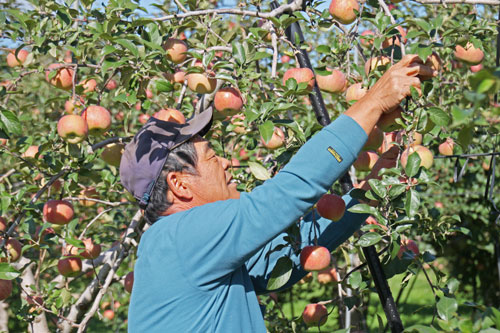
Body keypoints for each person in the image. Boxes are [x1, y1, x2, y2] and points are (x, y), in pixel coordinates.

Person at [119, 55, 434, 332]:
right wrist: (373, 102)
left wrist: (370, 191)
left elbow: (282, 259)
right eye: (214, 158)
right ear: (180, 184)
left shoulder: (184, 250)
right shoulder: (180, 238)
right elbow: (288, 192)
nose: (227, 163)